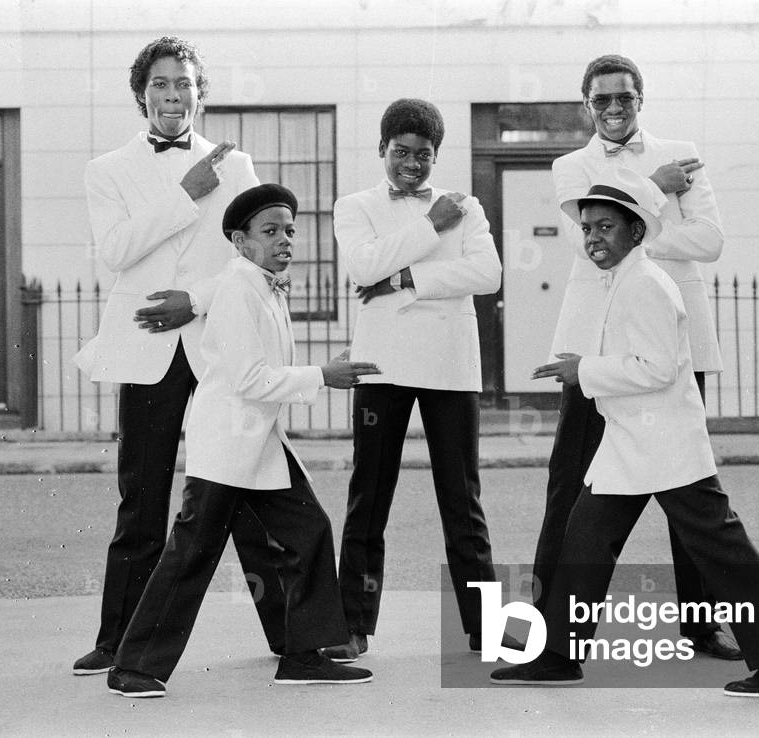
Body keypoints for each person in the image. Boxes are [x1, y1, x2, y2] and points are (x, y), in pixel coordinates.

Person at [492, 175, 759, 696]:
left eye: (606, 226)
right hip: (630, 442)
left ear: (637, 231)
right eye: (587, 227)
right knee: (584, 540)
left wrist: (586, 371)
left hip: (665, 444)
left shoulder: (645, 283)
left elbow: (659, 368)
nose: (593, 237)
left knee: (721, 547)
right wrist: (588, 369)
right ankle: (556, 656)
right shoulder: (621, 279)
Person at [107, 183, 380, 697]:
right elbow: (249, 379)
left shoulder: (262, 283)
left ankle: (302, 656)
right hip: (229, 449)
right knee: (192, 553)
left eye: (290, 230)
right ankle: (133, 669)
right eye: (270, 230)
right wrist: (323, 375)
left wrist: (322, 370)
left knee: (310, 531)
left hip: (260, 447)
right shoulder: (238, 287)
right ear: (240, 240)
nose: (285, 240)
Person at [72, 36, 290, 675]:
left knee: (246, 484)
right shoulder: (106, 169)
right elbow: (116, 252)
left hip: (222, 341)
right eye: (162, 85)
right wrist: (188, 191)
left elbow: (245, 257)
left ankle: (286, 634)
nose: (174, 96)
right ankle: (119, 640)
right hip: (146, 347)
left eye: (185, 85)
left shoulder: (237, 164)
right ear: (142, 93)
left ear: (201, 93)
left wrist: (193, 300)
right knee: (141, 497)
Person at [531, 53, 739, 660]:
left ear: (640, 98)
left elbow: (712, 241)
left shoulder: (683, 150)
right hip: (592, 343)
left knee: (686, 484)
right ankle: (547, 628)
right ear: (587, 104)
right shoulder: (570, 165)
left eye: (625, 97)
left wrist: (633, 231)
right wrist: (655, 191)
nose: (614, 108)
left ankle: (701, 626)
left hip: (672, 334)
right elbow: (582, 240)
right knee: (569, 482)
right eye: (602, 100)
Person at [322, 98, 514, 661]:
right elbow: (363, 266)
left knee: (462, 500)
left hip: (450, 366)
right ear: (382, 149)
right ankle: (352, 625)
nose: (412, 164)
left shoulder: (467, 205)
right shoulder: (354, 205)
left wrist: (406, 275)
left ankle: (487, 629)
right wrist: (432, 227)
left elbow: (487, 273)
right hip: (382, 365)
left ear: (437, 155)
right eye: (401, 152)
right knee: (369, 495)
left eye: (423, 155)